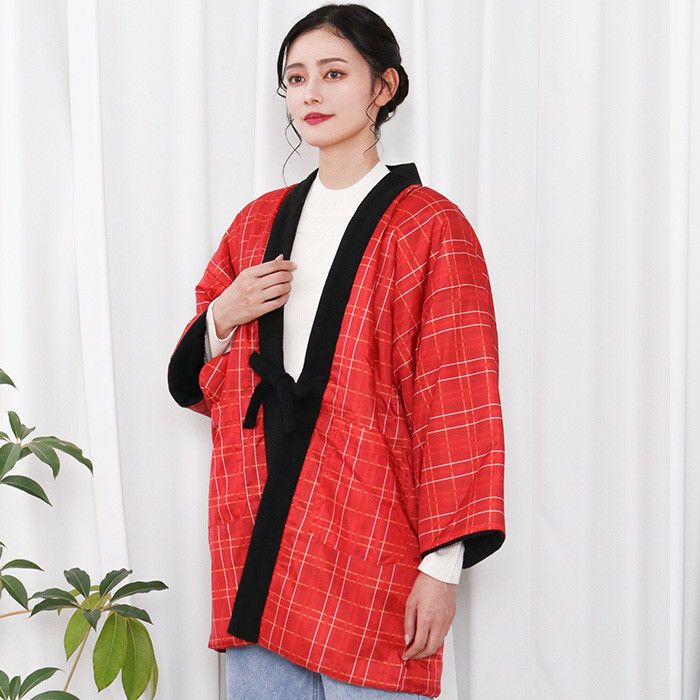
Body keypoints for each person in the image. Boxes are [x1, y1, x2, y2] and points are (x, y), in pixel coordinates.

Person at [168, 4, 506, 699]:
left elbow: (457, 400)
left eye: (333, 73)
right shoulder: (258, 223)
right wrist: (224, 314)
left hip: (373, 536)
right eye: (295, 79)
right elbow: (202, 382)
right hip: (260, 534)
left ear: (384, 86)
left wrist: (441, 569)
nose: (311, 94)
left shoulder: (431, 228)